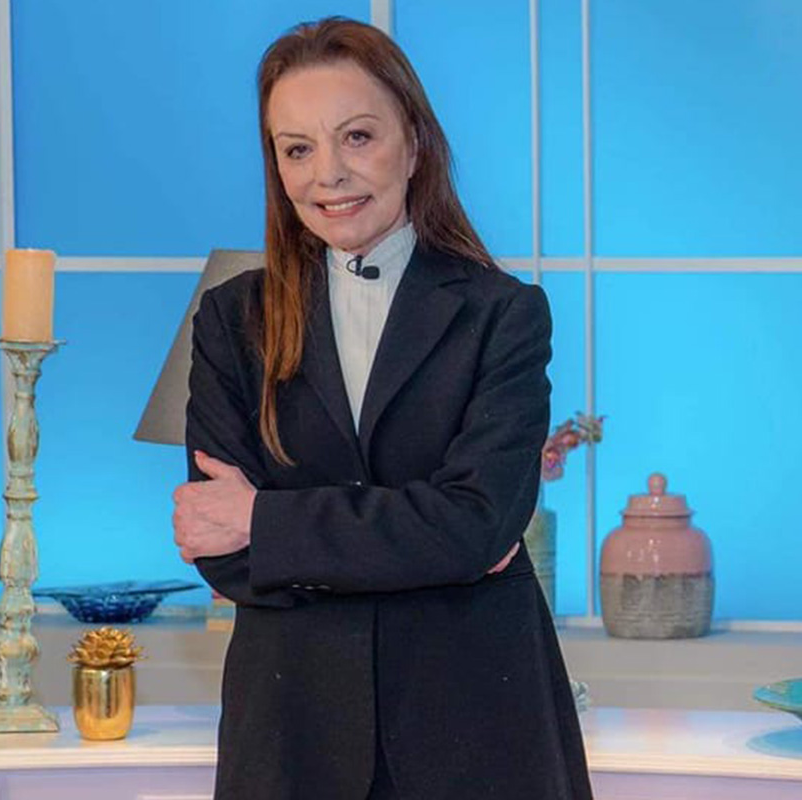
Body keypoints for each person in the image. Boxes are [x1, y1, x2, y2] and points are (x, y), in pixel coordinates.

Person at [172, 17, 593, 800]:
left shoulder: (504, 314)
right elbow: (222, 554)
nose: (328, 174)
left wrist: (266, 521)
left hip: (475, 727)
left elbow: (479, 525)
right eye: (297, 149)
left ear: (415, 143)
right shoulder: (231, 319)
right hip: (290, 731)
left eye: (357, 137)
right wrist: (426, 542)